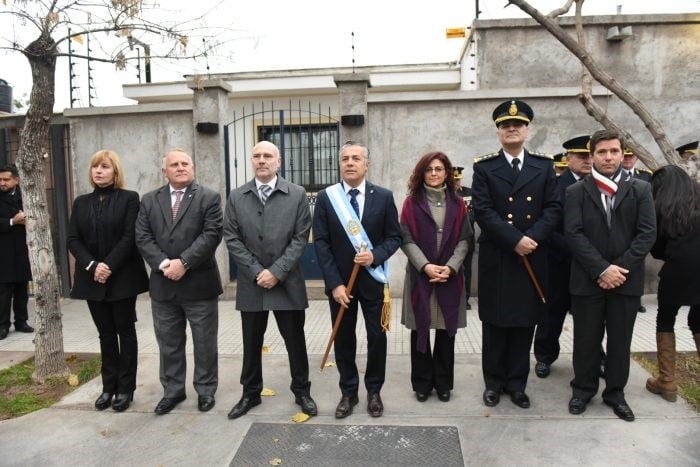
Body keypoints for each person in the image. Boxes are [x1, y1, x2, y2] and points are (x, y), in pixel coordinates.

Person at [471, 99, 561, 409]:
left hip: (532, 257)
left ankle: (517, 384)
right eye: (505, 125)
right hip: (499, 256)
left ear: (526, 129)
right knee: (495, 324)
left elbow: (554, 207)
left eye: (518, 125)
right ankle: (493, 383)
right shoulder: (484, 167)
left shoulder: (544, 165)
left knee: (525, 323)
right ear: (498, 132)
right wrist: (514, 240)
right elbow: (482, 210)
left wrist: (531, 238)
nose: (512, 129)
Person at [566, 129, 656, 422]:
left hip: (625, 281)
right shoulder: (576, 191)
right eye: (602, 152)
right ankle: (583, 389)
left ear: (622, 154)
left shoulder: (641, 189)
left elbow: (647, 234)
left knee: (620, 341)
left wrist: (619, 269)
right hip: (587, 280)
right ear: (591, 156)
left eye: (614, 151)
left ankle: (615, 393)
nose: (608, 157)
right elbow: (573, 233)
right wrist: (601, 269)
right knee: (586, 340)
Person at [223, 141, 317, 419]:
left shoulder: (297, 194)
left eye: (268, 156)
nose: (262, 160)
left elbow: (301, 238)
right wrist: (256, 271)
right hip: (252, 285)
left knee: (295, 341)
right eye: (257, 156)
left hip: (287, 282)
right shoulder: (237, 196)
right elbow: (232, 238)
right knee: (251, 342)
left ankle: (302, 391)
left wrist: (276, 271)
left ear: (279, 161)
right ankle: (250, 393)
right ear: (252, 161)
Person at [313, 141, 402, 419]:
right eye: (345, 159)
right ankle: (348, 392)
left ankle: (374, 391)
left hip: (374, 281)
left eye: (356, 158)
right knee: (344, 338)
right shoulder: (328, 198)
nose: (349, 163)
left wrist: (375, 256)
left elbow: (394, 237)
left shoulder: (384, 196)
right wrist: (334, 283)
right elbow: (322, 242)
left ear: (367, 164)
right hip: (341, 284)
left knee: (378, 338)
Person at [135, 148, 223, 415]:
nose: (181, 167)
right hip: (164, 286)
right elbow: (142, 236)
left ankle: (205, 390)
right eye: (174, 164)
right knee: (169, 343)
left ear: (193, 168)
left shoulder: (208, 197)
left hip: (199, 283)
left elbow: (211, 234)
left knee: (204, 342)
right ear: (165, 171)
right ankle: (173, 391)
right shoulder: (150, 200)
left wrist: (183, 262)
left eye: (185, 163)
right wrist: (164, 265)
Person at [67, 150, 149, 412]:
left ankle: (126, 389)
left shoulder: (129, 199)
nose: (98, 171)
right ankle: (108, 387)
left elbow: (129, 237)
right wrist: (93, 266)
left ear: (115, 172)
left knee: (125, 332)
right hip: (91, 279)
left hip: (123, 277)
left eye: (104, 167)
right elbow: (73, 239)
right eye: (94, 167)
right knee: (105, 334)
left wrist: (108, 266)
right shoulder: (81, 202)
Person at [400, 152, 472, 403]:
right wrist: (426, 266)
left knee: (445, 333)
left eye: (439, 169)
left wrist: (451, 267)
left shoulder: (459, 203)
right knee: (419, 329)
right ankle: (421, 383)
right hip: (421, 278)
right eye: (429, 169)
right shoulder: (411, 203)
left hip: (449, 278)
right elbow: (405, 239)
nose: (433, 173)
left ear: (447, 173)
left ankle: (443, 383)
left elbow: (465, 239)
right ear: (421, 173)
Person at [534, 135, 591, 378]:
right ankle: (545, 357)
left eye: (590, 155)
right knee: (552, 314)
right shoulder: (556, 186)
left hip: (590, 266)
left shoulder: (601, 186)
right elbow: (547, 227)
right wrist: (576, 250)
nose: (587, 160)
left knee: (591, 317)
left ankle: (594, 357)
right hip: (559, 263)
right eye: (581, 156)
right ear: (568, 159)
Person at [645, 165, 700, 402]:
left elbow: (655, 248)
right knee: (697, 318)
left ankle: (667, 382)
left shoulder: (660, 207)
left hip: (677, 268)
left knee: (666, 318)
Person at [0, 165, 34, 339]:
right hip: (3, 252)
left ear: (16, 180)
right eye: (0, 180)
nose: (2, 183)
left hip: (22, 249)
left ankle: (21, 321)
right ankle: (2, 325)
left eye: (6, 179)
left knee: (22, 288)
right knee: (3, 291)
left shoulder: (26, 196)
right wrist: (13, 221)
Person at [453, 166, 475, 311]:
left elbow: (475, 214)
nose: (456, 183)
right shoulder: (445, 194)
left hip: (467, 237)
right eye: (453, 180)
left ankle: (465, 299)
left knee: (467, 269)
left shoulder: (468, 193)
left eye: (457, 180)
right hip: (451, 239)